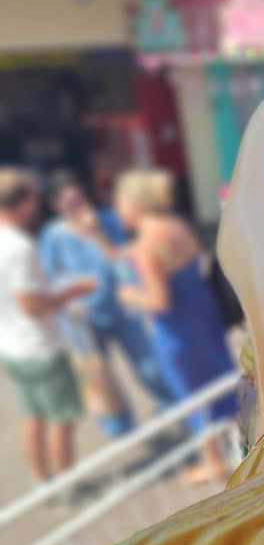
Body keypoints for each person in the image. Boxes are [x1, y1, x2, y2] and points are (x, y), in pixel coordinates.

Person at [114, 169, 237, 483]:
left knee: (193, 396)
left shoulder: (145, 246)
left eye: (120, 202)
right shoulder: (177, 225)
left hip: (177, 331)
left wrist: (128, 295)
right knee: (222, 379)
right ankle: (247, 442)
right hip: (204, 316)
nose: (118, 209)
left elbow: (159, 301)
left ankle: (214, 462)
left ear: (136, 204)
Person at [39, 170, 174, 437]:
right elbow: (50, 276)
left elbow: (126, 259)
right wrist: (69, 301)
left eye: (79, 199)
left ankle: (173, 406)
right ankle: (121, 429)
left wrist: (97, 233)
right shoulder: (53, 236)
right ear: (56, 206)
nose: (77, 206)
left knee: (148, 364)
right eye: (69, 202)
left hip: (121, 307)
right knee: (98, 377)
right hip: (83, 318)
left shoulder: (107, 220)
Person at [0, 168, 94, 482]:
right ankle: (67, 483)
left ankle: (43, 480)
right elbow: (32, 305)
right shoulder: (19, 248)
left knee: (34, 416)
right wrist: (73, 291)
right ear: (24, 202)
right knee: (61, 418)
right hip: (38, 346)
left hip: (10, 345)